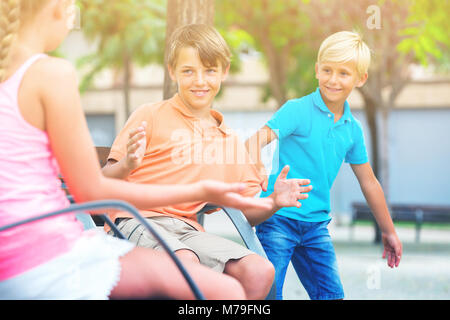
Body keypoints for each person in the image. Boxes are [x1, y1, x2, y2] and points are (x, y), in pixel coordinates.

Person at [0, 0, 277, 300]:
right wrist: (198, 190)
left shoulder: (27, 73)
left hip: (32, 249)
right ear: (57, 8)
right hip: (47, 252)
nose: (73, 21)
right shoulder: (52, 75)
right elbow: (92, 193)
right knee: (220, 289)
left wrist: (271, 199)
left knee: (241, 278)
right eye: (74, 9)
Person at [102, 23, 313, 300]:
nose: (200, 81)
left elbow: (247, 212)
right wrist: (127, 164)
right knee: (186, 263)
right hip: (135, 221)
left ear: (224, 72)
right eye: (188, 71)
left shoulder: (229, 141)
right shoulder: (149, 115)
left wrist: (273, 201)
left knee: (259, 270)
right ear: (172, 71)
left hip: (187, 231)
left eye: (209, 70)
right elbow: (102, 180)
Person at [245, 31, 403, 300]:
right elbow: (254, 142)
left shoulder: (352, 130)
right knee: (268, 295)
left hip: (316, 226)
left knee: (331, 296)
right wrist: (257, 169)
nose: (333, 79)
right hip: (278, 220)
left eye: (343, 73)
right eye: (327, 70)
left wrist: (388, 230)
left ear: (360, 78)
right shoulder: (297, 109)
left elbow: (369, 181)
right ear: (317, 70)